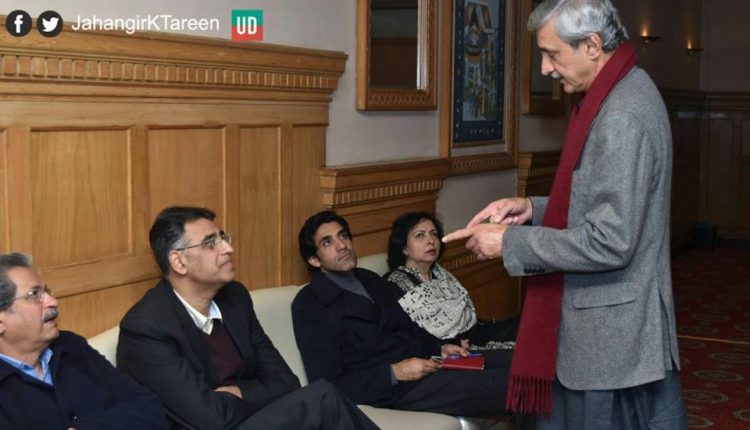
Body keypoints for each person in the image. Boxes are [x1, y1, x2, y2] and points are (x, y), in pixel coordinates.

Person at [443, 0, 687, 428]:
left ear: (592, 45)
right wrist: (532, 208)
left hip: (610, 343)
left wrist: (509, 242)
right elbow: (606, 202)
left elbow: (610, 241)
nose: (545, 69)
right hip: (610, 335)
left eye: (552, 53)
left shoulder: (621, 114)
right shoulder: (622, 90)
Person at [117, 206, 379, 430]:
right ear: (179, 262)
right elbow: (209, 418)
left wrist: (241, 392)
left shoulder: (235, 298)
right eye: (210, 243)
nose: (228, 248)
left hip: (248, 418)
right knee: (322, 399)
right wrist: (257, 393)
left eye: (223, 238)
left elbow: (286, 381)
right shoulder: (147, 328)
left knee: (322, 402)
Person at [292, 210, 514, 418]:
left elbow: (408, 325)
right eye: (327, 242)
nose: (342, 245)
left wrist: (441, 347)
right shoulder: (309, 305)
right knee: (514, 384)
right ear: (314, 260)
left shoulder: (369, 279)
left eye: (343, 236)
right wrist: (394, 373)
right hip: (394, 390)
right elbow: (327, 384)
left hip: (428, 362)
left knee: (523, 364)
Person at [0, 252, 167, 429]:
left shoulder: (70, 345)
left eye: (46, 292)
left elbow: (148, 407)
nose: (53, 302)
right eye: (34, 295)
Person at [385, 211, 517, 350]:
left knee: (526, 326)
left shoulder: (439, 273)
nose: (431, 241)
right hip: (450, 350)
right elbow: (406, 335)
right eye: (420, 235)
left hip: (478, 332)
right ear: (404, 248)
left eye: (434, 234)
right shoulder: (393, 285)